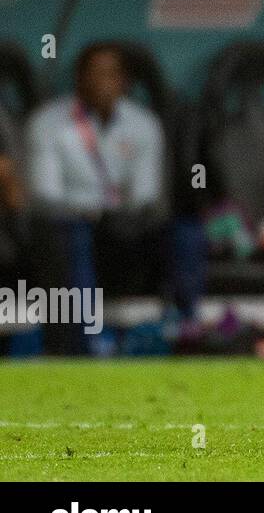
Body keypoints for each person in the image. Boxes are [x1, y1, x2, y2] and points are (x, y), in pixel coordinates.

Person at [24, 42, 167, 355]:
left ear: (124, 82)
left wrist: (116, 215)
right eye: (95, 73)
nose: (103, 82)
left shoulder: (143, 124)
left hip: (124, 232)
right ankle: (80, 347)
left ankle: (188, 333)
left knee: (184, 231)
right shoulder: (48, 123)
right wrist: (89, 212)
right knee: (69, 232)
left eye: (112, 74)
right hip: (70, 226)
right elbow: (44, 195)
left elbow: (145, 194)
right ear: (79, 78)